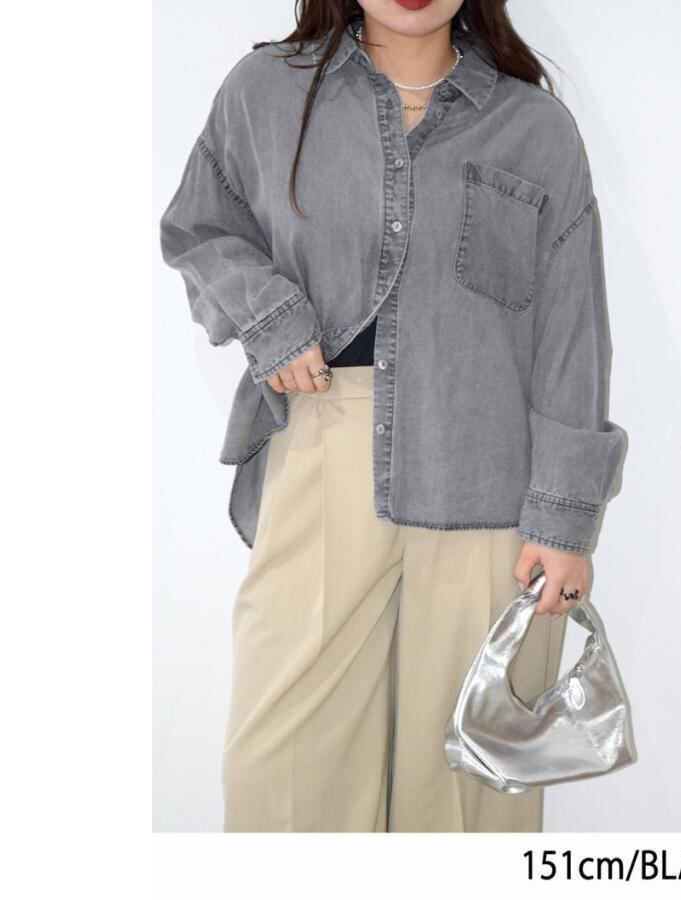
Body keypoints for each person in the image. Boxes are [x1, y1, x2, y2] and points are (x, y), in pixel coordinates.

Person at [158, 0, 627, 833]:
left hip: (488, 476)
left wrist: (564, 519)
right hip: (323, 445)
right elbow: (199, 226)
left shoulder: (536, 129)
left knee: (468, 783)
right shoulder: (267, 93)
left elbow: (571, 333)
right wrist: (271, 320)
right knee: (286, 768)